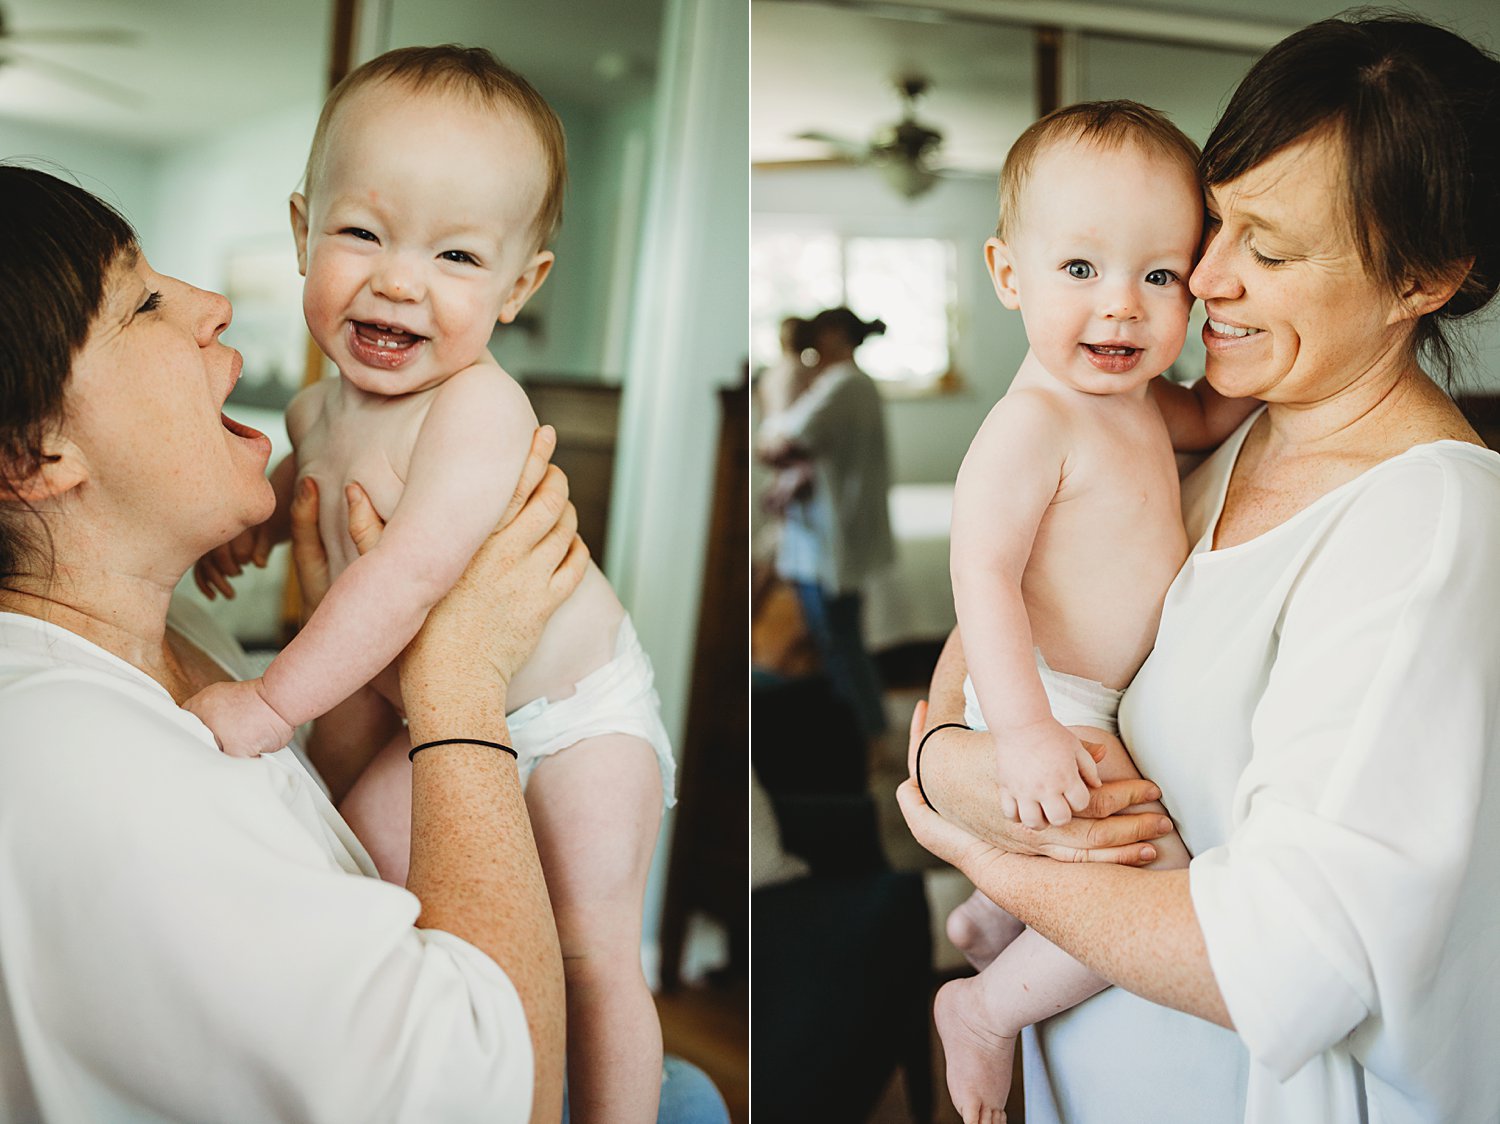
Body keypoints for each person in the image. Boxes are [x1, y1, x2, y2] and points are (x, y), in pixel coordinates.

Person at [902, 14, 1500, 1123]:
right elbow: (1006, 604)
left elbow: (1294, 954)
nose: (1204, 280)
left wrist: (986, 856)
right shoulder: (1224, 438)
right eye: (1213, 224)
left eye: (1267, 249)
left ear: (1422, 278)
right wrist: (949, 760)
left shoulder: (1431, 529)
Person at [0, 165, 584, 1121]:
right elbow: (501, 1099)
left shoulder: (179, 627)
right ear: (32, 456)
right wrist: (460, 682)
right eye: (142, 301)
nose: (214, 306)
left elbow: (324, 856)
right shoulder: (76, 762)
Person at [185, 47, 674, 1123]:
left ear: (519, 285)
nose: (399, 280)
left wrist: (272, 700)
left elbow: (408, 577)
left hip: (575, 715)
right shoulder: (315, 412)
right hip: (444, 725)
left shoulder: (478, 410)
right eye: (361, 233)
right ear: (303, 229)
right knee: (370, 867)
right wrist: (249, 531)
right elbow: (301, 489)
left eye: (456, 254)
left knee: (592, 944)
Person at [939, 100, 1257, 1121]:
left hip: (1095, 703)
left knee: (1095, 861)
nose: (1121, 307)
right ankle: (985, 1008)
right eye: (1081, 270)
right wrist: (1025, 730)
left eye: (1159, 275)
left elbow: (1211, 414)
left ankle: (996, 924)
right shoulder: (1030, 422)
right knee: (1150, 873)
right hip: (1053, 702)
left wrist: (1264, 368)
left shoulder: (1140, 402)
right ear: (1007, 275)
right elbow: (981, 573)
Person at [758, 305, 895, 740]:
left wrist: (775, 398)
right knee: (839, 642)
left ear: (835, 336)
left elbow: (777, 447)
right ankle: (864, 730)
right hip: (826, 538)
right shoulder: (853, 385)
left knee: (840, 647)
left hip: (830, 544)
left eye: (819, 335)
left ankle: (867, 735)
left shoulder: (842, 387)